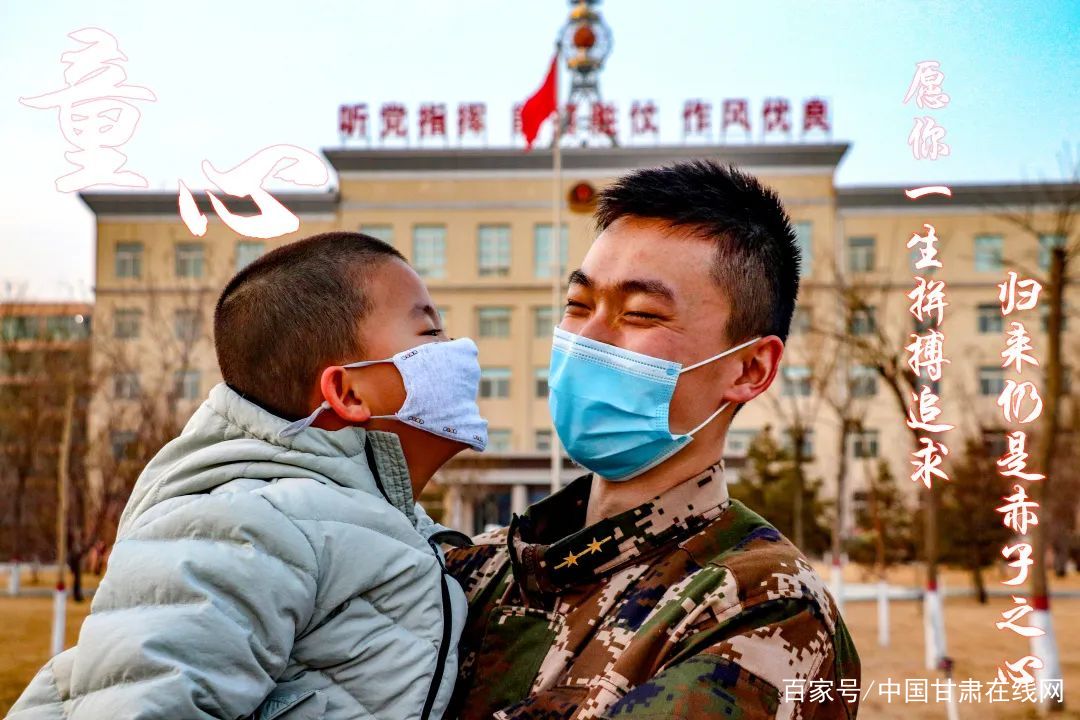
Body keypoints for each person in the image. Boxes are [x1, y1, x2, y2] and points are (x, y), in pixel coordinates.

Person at [445, 161, 860, 719]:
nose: (588, 337)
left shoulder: (758, 603)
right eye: (577, 305)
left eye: (640, 314)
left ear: (750, 368)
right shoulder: (481, 569)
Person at [10, 232, 485, 720]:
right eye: (430, 333)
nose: (455, 349)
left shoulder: (384, 522)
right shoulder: (245, 523)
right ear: (347, 393)